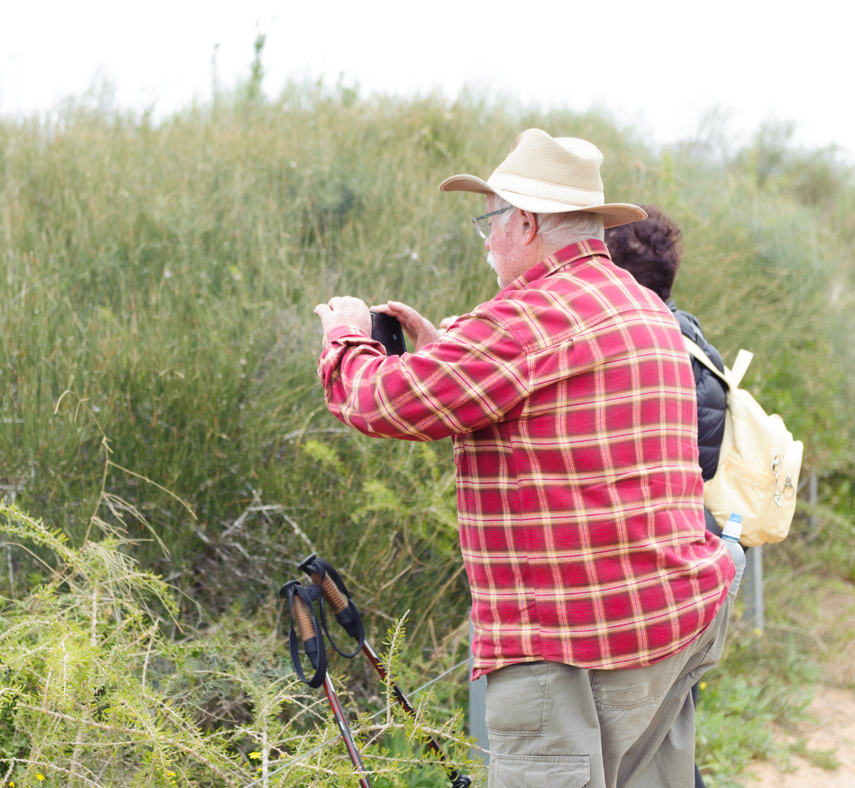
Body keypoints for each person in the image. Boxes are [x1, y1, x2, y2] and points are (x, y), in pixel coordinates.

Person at [313, 129, 736, 788]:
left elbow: (378, 401)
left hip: (570, 647)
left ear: (528, 223)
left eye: (492, 220)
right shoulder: (642, 308)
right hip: (669, 623)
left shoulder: (523, 320)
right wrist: (444, 348)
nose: (485, 239)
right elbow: (549, 400)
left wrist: (343, 333)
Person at [607, 206, 730, 788]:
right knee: (670, 735)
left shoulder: (638, 346)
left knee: (639, 748)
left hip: (647, 569)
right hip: (696, 559)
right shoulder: (699, 344)